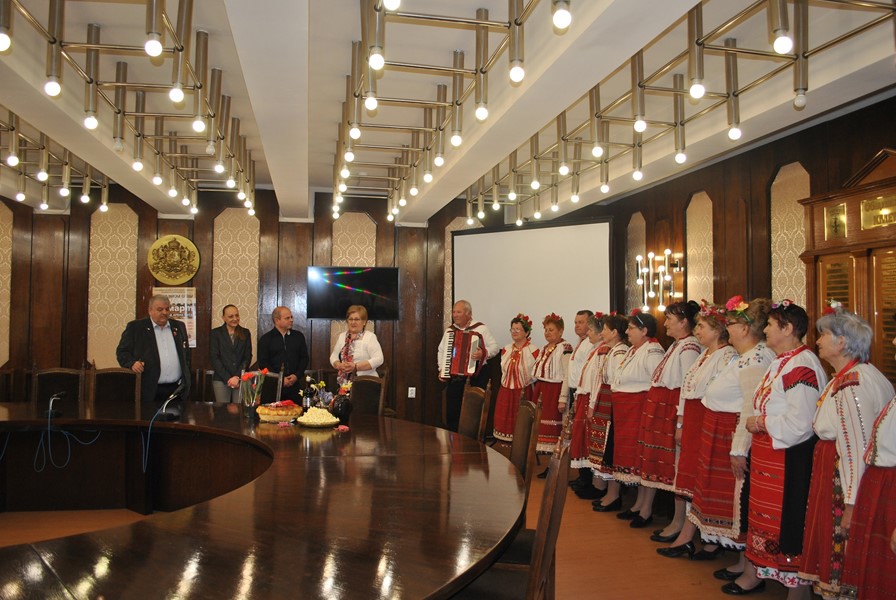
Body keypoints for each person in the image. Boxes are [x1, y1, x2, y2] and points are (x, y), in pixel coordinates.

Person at [725, 300, 828, 597]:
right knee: (763, 518)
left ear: (788, 329)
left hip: (789, 458)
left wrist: (760, 422)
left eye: (771, 325)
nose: (766, 330)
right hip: (770, 455)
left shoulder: (802, 365)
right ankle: (758, 571)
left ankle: (797, 589)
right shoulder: (782, 361)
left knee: (788, 520)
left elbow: (800, 422)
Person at [798, 307, 893, 599]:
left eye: (824, 335)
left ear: (842, 342)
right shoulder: (852, 375)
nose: (817, 341)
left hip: (841, 477)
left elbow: (855, 446)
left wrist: (851, 504)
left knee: (840, 543)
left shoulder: (853, 383)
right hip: (836, 468)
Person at [688, 297, 775, 581]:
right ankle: (741, 560)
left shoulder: (757, 358)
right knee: (734, 502)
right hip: (721, 429)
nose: (728, 328)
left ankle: (750, 567)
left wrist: (739, 449)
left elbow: (750, 406)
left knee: (741, 501)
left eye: (733, 323)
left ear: (747, 329)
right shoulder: (744, 356)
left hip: (735, 433)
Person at [657, 301, 737, 555]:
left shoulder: (727, 356)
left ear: (717, 330)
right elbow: (686, 389)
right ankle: (695, 533)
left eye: (702, 326)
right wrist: (681, 422)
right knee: (689, 476)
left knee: (702, 477)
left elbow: (716, 394)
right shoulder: (704, 354)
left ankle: (699, 536)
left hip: (706, 418)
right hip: (693, 419)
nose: (697, 330)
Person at [635, 300, 702, 530]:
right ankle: (655, 511)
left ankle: (678, 521)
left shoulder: (689, 347)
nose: (665, 324)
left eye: (670, 320)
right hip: (663, 408)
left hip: (672, 411)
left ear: (684, 322)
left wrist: (680, 421)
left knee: (676, 466)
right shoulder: (677, 345)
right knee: (661, 462)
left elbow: (686, 387)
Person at [595, 310, 663, 512]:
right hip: (626, 411)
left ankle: (644, 508)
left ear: (644, 331)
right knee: (630, 457)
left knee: (640, 458)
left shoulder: (653, 351)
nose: (627, 331)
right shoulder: (634, 350)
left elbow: (656, 385)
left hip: (638, 410)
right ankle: (638, 504)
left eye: (632, 328)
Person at [116, 294, 191, 406]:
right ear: (150, 310)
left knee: (177, 416)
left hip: (176, 390)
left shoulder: (179, 326)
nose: (164, 312)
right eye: (160, 309)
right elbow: (122, 352)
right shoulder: (136, 327)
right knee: (149, 416)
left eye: (167, 309)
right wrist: (131, 363)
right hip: (149, 390)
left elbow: (186, 354)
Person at [436, 300, 499, 432]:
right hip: (455, 378)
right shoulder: (450, 331)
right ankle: (453, 438)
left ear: (469, 314)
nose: (455, 315)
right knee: (453, 411)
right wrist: (441, 368)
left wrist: (483, 353)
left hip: (478, 376)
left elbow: (495, 347)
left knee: (474, 412)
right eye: (454, 312)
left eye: (459, 312)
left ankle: (473, 440)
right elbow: (441, 351)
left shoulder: (480, 328)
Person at [588, 313, 629, 509]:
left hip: (612, 400)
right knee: (605, 445)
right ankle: (608, 491)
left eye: (605, 329)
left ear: (614, 332)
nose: (602, 332)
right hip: (606, 399)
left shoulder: (620, 352)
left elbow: (615, 380)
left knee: (610, 445)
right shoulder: (613, 351)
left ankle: (613, 494)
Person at [568, 313, 604, 494]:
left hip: (590, 397)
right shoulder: (590, 346)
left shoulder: (600, 349)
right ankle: (584, 478)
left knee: (587, 439)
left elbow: (597, 378)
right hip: (581, 394)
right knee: (580, 437)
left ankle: (590, 482)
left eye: (588, 328)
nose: (587, 331)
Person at [492, 313, 538, 442]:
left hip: (523, 391)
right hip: (506, 391)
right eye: (512, 329)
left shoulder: (533, 350)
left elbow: (535, 372)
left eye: (518, 329)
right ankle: (503, 446)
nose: (514, 332)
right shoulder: (506, 349)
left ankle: (520, 445)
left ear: (526, 332)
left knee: (520, 422)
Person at [533, 313, 573, 459]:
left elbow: (567, 374)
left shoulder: (565, 347)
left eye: (551, 330)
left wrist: (562, 398)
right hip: (542, 390)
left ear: (560, 331)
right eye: (546, 330)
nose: (547, 333)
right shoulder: (545, 348)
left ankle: (554, 462)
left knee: (554, 429)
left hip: (554, 391)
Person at [565, 310, 596, 488]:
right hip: (576, 391)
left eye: (581, 322)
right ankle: (581, 475)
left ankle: (587, 478)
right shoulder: (581, 343)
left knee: (583, 434)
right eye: (575, 322)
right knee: (577, 434)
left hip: (583, 392)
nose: (577, 325)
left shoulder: (590, 344)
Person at [257, 306, 309, 402]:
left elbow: (304, 358)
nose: (291, 320)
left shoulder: (298, 337)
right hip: (272, 386)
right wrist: (279, 379)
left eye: (291, 317)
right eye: (287, 318)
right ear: (277, 320)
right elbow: (263, 363)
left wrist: (296, 375)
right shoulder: (266, 339)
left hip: (294, 385)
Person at [330, 305, 384, 386]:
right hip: (344, 383)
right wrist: (339, 365)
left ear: (364, 322)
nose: (353, 322)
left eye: (357, 319)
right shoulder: (342, 336)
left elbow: (379, 359)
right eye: (350, 319)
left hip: (366, 382)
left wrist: (356, 366)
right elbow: (333, 356)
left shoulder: (370, 337)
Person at [209, 304, 252, 404]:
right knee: (222, 411)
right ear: (223, 318)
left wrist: (237, 377)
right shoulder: (216, 333)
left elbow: (247, 357)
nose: (235, 319)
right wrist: (228, 378)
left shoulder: (245, 333)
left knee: (239, 410)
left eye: (237, 315)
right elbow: (214, 358)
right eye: (231, 316)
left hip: (241, 379)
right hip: (221, 379)